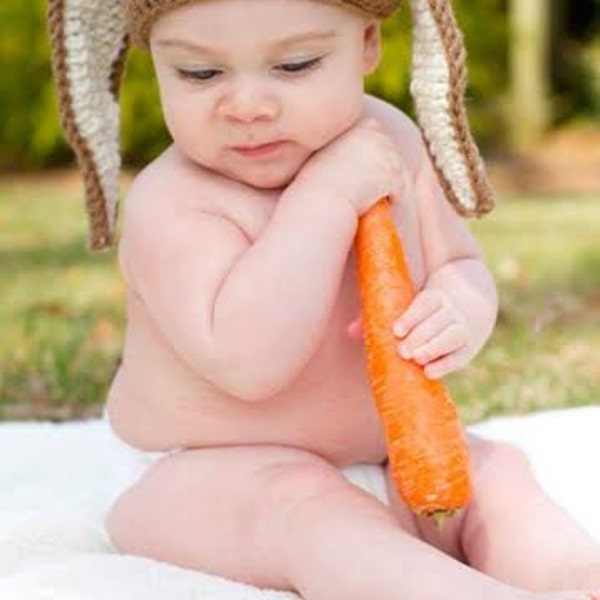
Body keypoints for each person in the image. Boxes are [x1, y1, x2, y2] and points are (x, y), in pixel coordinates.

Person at [48, 0, 600, 598]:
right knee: (306, 511)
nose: (248, 106)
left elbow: (458, 265)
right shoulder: (173, 203)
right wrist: (326, 197)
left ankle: (576, 579)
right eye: (200, 74)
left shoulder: (391, 138)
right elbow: (249, 363)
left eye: (295, 65)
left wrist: (457, 310)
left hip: (398, 460)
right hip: (203, 478)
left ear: (367, 44)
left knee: (498, 475)